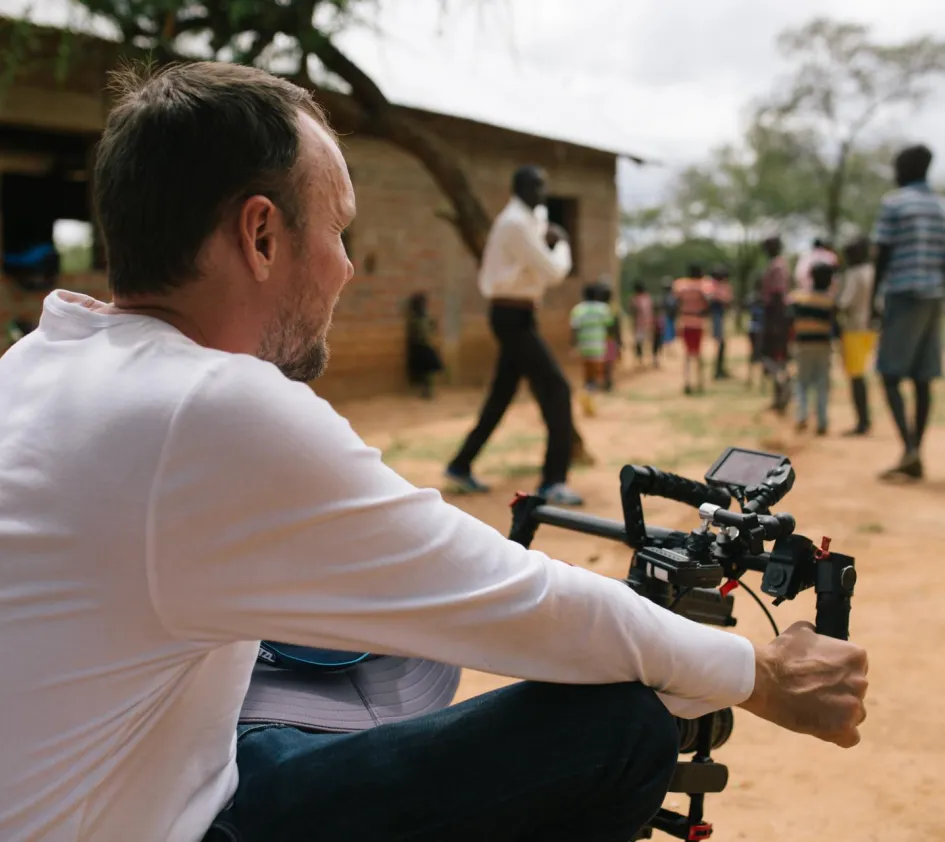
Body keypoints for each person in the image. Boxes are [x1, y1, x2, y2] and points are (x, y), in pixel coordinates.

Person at [0, 62, 868, 842]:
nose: (345, 268)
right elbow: (517, 600)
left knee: (334, 673)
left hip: (156, 784)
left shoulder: (40, 365)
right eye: (336, 232)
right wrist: (755, 670)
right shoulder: (207, 407)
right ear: (261, 236)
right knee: (617, 733)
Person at [445, 165, 582, 506]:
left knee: (501, 396)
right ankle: (553, 481)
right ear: (518, 188)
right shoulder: (516, 224)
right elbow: (552, 272)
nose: (541, 194)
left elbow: (540, 218)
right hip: (511, 317)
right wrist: (562, 243)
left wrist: (545, 229)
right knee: (558, 389)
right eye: (535, 187)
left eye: (543, 187)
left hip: (518, 315)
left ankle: (460, 465)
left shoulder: (525, 220)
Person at [871, 144, 945, 481]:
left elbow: (882, 254)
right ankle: (915, 451)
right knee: (923, 376)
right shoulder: (940, 206)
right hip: (934, 296)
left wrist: (874, 298)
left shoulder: (894, 203)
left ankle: (911, 449)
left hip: (902, 294)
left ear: (907, 168)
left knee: (888, 374)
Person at [789, 263, 836, 435]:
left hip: (803, 344)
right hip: (823, 345)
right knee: (822, 383)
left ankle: (801, 416)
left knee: (802, 382)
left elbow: (790, 318)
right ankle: (822, 421)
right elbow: (834, 325)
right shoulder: (830, 301)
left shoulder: (798, 298)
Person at [836, 236, 877, 436]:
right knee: (861, 373)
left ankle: (862, 422)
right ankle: (865, 419)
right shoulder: (873, 271)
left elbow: (845, 302)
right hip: (871, 327)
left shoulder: (853, 273)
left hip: (854, 328)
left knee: (856, 376)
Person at [570, 281, 614, 416]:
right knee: (596, 376)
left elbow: (574, 329)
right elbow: (609, 328)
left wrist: (574, 345)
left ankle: (587, 396)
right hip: (598, 345)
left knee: (587, 372)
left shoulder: (578, 309)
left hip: (584, 345)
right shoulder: (603, 309)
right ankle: (588, 398)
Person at [759, 236, 792, 413]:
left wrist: (776, 323)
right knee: (774, 357)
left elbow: (778, 295)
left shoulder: (777, 266)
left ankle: (785, 386)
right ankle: (779, 396)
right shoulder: (776, 264)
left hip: (776, 316)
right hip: (773, 315)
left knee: (774, 357)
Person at [672, 264, 712, 394]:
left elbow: (676, 302)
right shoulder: (703, 286)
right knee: (699, 353)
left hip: (685, 322)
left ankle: (687, 382)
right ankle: (700, 382)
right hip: (698, 323)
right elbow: (708, 302)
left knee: (688, 354)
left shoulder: (681, 285)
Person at [406, 291, 444, 399]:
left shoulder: (420, 317)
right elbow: (422, 332)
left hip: (423, 346)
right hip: (421, 346)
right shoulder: (417, 318)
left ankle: (427, 391)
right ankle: (426, 391)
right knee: (426, 370)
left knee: (427, 371)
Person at [709, 265, 734, 380]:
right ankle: (718, 371)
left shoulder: (716, 288)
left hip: (720, 317)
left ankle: (720, 369)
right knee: (720, 343)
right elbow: (726, 299)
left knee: (722, 344)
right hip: (717, 317)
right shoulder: (713, 288)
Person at [599, 280, 623, 390]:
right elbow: (617, 325)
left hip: (601, 338)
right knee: (608, 362)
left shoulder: (599, 308)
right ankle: (607, 381)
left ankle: (606, 381)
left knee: (605, 361)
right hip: (609, 338)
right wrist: (619, 340)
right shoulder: (613, 308)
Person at [745, 279, 765, 389]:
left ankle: (750, 379)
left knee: (753, 354)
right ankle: (760, 382)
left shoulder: (752, 298)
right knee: (760, 354)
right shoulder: (764, 298)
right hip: (759, 328)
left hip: (752, 328)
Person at [629, 280, 654, 367]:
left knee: (639, 342)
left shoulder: (635, 299)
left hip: (640, 323)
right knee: (646, 342)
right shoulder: (647, 298)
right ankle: (649, 358)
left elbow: (633, 311)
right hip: (647, 323)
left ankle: (640, 358)